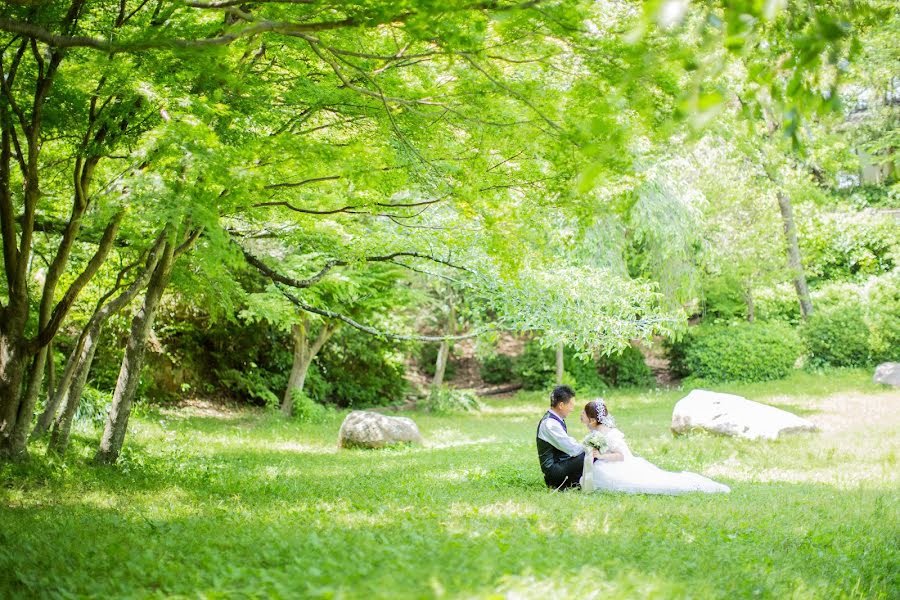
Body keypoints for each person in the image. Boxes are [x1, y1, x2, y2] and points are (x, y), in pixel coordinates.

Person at [580, 399, 731, 495]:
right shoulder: (596, 431)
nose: (581, 416)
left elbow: (621, 455)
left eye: (583, 414)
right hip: (604, 461)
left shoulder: (610, 434)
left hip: (617, 464)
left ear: (593, 420)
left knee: (640, 482)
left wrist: (601, 456)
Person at [536, 385, 590, 490]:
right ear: (561, 405)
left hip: (560, 463)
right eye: (571, 405)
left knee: (588, 454)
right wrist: (590, 447)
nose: (572, 409)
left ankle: (577, 481)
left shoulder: (555, 420)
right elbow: (572, 448)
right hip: (553, 472)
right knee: (588, 454)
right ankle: (570, 482)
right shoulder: (550, 424)